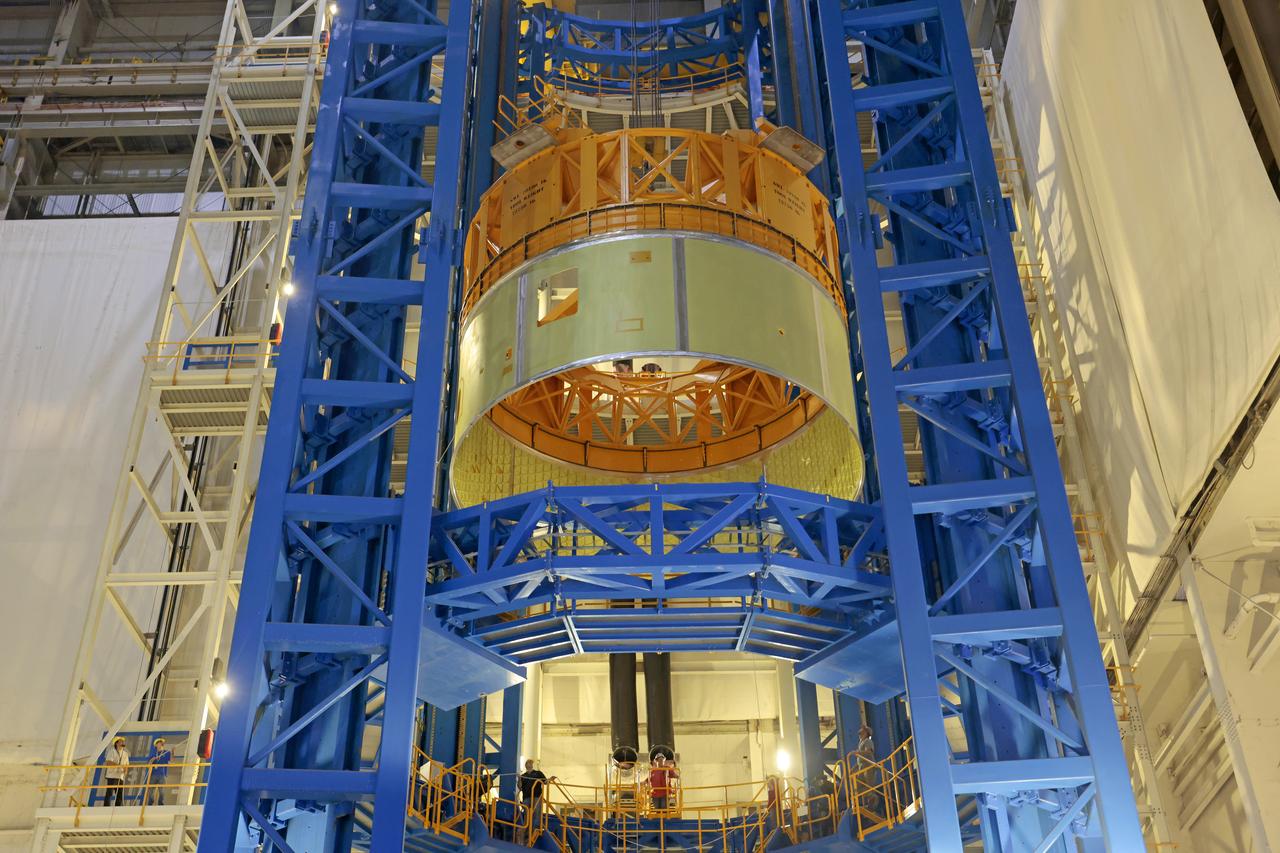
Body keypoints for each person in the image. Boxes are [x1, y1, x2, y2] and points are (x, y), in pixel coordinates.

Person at [517, 759, 554, 843]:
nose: (528, 764)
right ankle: (527, 831)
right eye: (527, 763)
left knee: (536, 813)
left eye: (529, 763)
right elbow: (520, 787)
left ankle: (535, 830)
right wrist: (519, 779)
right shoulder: (523, 776)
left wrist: (550, 779)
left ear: (532, 764)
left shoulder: (538, 773)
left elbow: (545, 782)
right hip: (526, 797)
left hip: (536, 796)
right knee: (527, 815)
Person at [102, 737, 129, 806]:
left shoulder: (125, 754)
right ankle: (106, 807)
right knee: (109, 792)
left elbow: (127, 765)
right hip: (112, 775)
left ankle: (118, 807)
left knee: (119, 793)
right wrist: (119, 765)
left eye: (123, 741)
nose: (123, 742)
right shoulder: (112, 751)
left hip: (120, 776)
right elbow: (108, 762)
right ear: (116, 743)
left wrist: (125, 771)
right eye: (121, 741)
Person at [145, 738, 172, 805]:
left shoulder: (167, 752)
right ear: (156, 745)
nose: (161, 744)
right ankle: (150, 802)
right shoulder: (153, 754)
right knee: (151, 790)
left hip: (162, 774)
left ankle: (160, 803)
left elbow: (172, 761)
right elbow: (148, 765)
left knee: (162, 791)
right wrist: (152, 760)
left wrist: (173, 752)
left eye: (161, 743)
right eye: (159, 743)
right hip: (153, 774)